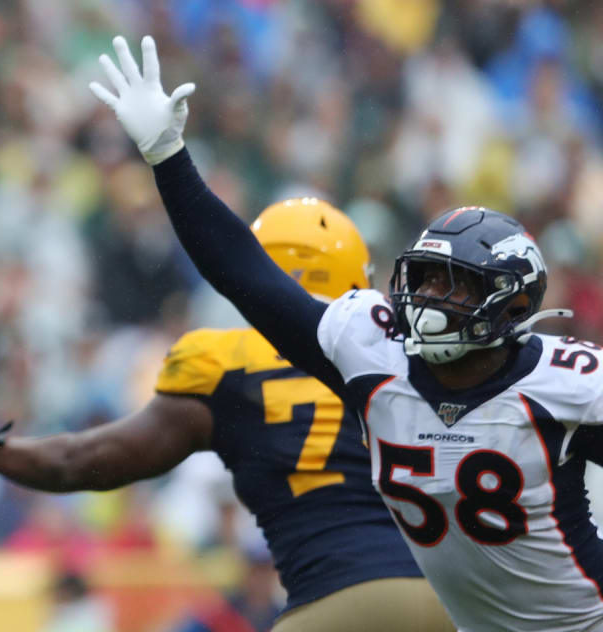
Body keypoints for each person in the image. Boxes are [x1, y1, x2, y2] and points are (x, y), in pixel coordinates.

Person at [90, 34, 603, 631]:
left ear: (512, 306)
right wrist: (165, 152)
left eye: (454, 284)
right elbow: (243, 271)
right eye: (426, 278)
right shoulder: (370, 347)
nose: (430, 298)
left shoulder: (568, 383)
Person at [0, 198, 452, 631]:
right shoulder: (407, 354)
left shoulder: (227, 365)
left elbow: (80, 460)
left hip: (341, 598)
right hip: (453, 599)